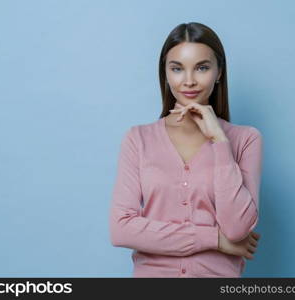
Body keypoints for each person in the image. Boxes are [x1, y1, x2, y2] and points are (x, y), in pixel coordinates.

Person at [109, 22, 263, 278]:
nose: (189, 81)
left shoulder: (245, 140)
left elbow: (237, 230)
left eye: (202, 67)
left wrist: (220, 142)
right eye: (177, 69)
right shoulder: (138, 139)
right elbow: (121, 229)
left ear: (219, 72)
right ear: (166, 74)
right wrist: (213, 238)